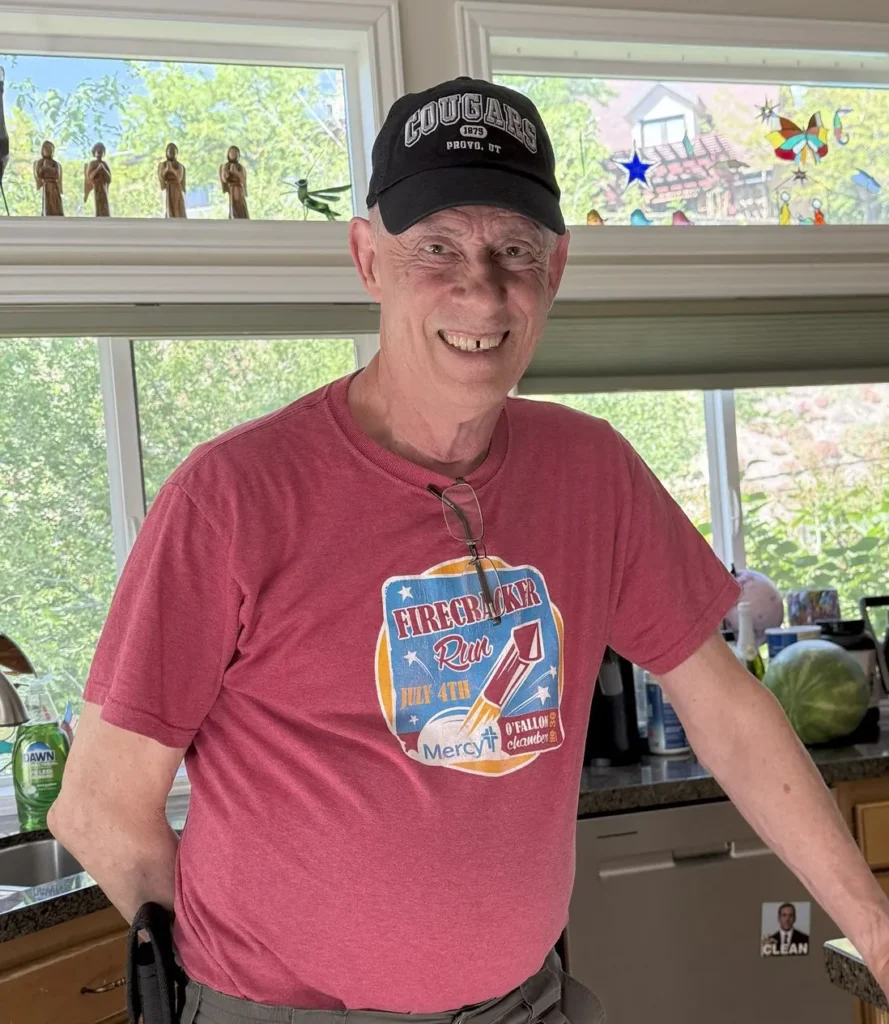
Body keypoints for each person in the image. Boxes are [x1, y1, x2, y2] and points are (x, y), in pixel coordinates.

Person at [49, 76, 889, 1024]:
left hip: (519, 1003)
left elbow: (727, 712)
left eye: (513, 250)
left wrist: (875, 927)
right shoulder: (233, 497)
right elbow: (97, 807)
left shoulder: (591, 474)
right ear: (366, 258)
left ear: (555, 269)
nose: (480, 290)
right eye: (436, 247)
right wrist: (232, 985)